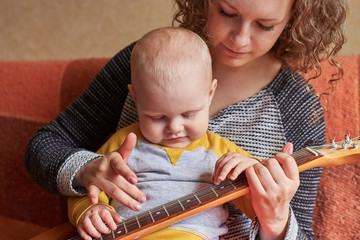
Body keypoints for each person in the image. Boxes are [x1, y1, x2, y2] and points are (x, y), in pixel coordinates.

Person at [24, 0, 347, 239]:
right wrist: (86, 171)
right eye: (227, 13)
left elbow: (303, 232)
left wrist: (276, 221)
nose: (240, 39)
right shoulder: (149, 62)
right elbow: (44, 146)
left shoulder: (296, 107)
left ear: (295, 18)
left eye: (265, 25)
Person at [68, 27, 268, 240]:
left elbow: (260, 207)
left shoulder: (222, 151)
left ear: (210, 94)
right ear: (135, 99)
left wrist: (253, 172)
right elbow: (87, 186)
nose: (174, 127)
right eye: (157, 117)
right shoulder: (124, 144)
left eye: (189, 114)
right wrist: (89, 211)